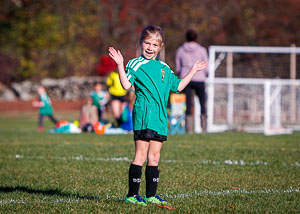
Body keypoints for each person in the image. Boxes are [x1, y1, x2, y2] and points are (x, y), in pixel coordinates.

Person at [108, 25, 208, 206]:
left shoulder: (164, 67)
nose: (150, 47)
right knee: (141, 155)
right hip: (144, 115)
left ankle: (151, 195)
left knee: (155, 158)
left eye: (154, 44)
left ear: (160, 47)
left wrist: (192, 71)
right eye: (147, 43)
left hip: (160, 118)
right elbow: (124, 84)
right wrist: (120, 64)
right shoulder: (135, 63)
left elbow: (177, 87)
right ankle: (132, 195)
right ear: (141, 43)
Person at [175, 29, 209, 133]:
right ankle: (204, 129)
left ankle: (189, 129)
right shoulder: (202, 50)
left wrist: (181, 74)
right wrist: (205, 74)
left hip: (186, 78)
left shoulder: (180, 50)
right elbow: (206, 65)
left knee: (188, 104)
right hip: (200, 78)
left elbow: (177, 67)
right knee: (203, 102)